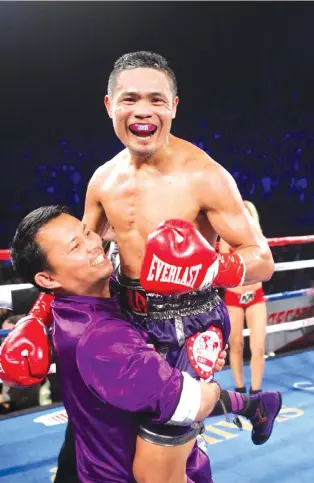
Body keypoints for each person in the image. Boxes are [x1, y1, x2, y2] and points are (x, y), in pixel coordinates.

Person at [0, 52, 279, 481]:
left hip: (189, 323)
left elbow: (262, 260)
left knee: (156, 470)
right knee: (93, 435)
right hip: (122, 318)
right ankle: (254, 408)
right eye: (130, 99)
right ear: (110, 106)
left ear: (173, 107)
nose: (143, 110)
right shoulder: (103, 180)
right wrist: (37, 319)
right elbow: (71, 261)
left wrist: (206, 269)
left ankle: (244, 410)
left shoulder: (205, 176)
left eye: (156, 100)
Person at [5, 206, 281, 483]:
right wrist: (201, 371)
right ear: (47, 278)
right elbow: (189, 402)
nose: (93, 244)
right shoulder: (100, 337)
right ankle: (253, 405)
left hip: (95, 454)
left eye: (87, 232)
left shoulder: (96, 291)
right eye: (76, 245)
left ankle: (256, 405)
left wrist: (36, 317)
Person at [220, 201, 267, 394]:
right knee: (236, 344)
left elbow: (264, 267)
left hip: (255, 295)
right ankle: (240, 389)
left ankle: (256, 392)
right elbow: (226, 268)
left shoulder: (259, 238)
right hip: (234, 296)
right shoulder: (226, 238)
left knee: (259, 345)